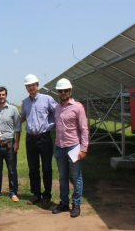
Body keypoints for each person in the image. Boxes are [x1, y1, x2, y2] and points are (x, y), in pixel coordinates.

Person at [52, 78, 88, 218]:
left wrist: (83, 148)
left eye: (65, 90)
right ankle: (64, 202)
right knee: (62, 177)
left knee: (76, 177)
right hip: (59, 147)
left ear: (70, 91)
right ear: (58, 92)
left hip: (73, 147)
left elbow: (84, 129)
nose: (63, 93)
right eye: (60, 91)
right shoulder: (57, 108)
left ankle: (76, 204)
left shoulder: (78, 107)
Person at [21, 74, 58, 209]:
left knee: (47, 168)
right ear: (26, 87)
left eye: (33, 85)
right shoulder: (25, 102)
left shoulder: (47, 99)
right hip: (30, 139)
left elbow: (57, 112)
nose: (31, 88)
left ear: (37, 85)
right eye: (28, 86)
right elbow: (23, 117)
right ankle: (36, 194)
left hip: (44, 138)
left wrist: (51, 125)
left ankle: (47, 196)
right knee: (33, 168)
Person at [0, 87, 21, 203]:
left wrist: (17, 142)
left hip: (9, 145)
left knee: (12, 170)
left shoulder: (13, 109)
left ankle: (13, 192)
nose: (1, 96)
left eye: (3, 94)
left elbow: (18, 127)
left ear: (6, 96)